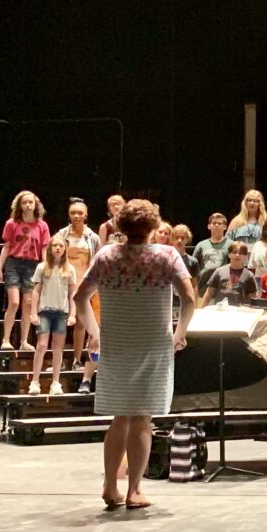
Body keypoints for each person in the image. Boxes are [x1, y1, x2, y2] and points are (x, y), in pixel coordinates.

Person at [73, 198, 195, 511]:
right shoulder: (167, 255)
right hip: (153, 342)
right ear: (154, 227)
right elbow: (189, 298)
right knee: (142, 418)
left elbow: (80, 297)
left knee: (119, 418)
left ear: (121, 227)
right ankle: (134, 490)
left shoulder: (106, 255)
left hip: (117, 343)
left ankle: (110, 486)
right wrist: (179, 334)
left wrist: (96, 333)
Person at [0, 190, 51, 351]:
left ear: (35, 205)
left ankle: (24, 341)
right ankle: (6, 339)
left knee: (28, 304)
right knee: (14, 302)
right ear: (19, 205)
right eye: (24, 202)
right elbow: (6, 247)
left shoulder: (42, 225)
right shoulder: (12, 223)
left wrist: (45, 268)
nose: (28, 205)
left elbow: (44, 248)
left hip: (32, 265)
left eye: (30, 202)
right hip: (14, 263)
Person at [54, 198, 102, 375]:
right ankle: (57, 361)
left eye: (80, 213)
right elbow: (52, 257)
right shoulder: (61, 235)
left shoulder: (93, 238)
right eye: (73, 213)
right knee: (59, 321)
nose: (76, 216)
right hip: (63, 282)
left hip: (84, 284)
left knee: (81, 323)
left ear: (86, 215)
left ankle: (76, 359)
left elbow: (98, 261)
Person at [27, 237, 77, 396]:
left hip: (61, 312)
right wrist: (33, 312)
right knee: (41, 345)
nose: (58, 248)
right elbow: (36, 291)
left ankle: (56, 382)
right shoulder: (42, 268)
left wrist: (73, 314)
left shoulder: (70, 270)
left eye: (61, 245)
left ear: (65, 249)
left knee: (58, 348)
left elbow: (72, 294)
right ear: (50, 248)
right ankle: (35, 381)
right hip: (45, 311)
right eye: (55, 245)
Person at [201, 241, 257, 306]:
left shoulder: (249, 275)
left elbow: (252, 297)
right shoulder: (219, 271)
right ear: (229, 254)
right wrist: (203, 308)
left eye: (241, 253)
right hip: (220, 310)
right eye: (234, 252)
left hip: (240, 312)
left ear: (245, 256)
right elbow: (209, 292)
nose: (237, 255)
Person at [193, 212, 230, 296]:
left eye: (219, 223)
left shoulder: (231, 245)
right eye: (214, 223)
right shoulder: (201, 245)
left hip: (223, 289)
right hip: (202, 289)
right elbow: (193, 267)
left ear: (225, 227)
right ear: (209, 226)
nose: (216, 225)